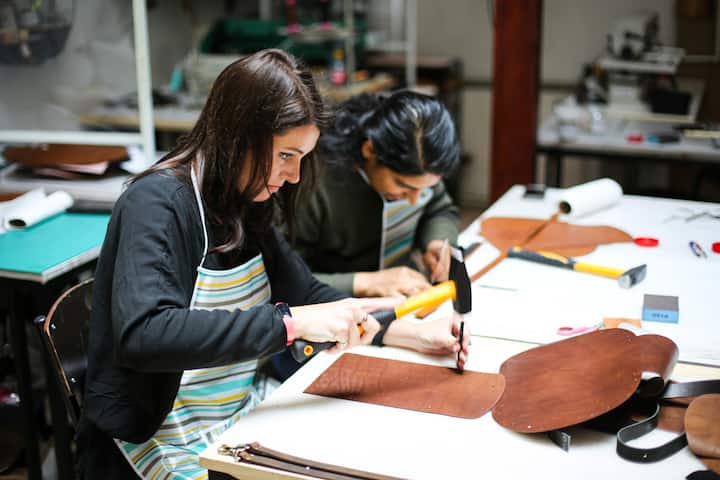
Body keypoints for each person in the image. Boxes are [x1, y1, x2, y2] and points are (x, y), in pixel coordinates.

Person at [78, 49, 469, 480]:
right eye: (286, 155)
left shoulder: (244, 204)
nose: (295, 175)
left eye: (303, 158)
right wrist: (290, 324)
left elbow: (307, 293)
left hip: (233, 418)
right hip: (158, 438)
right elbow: (146, 334)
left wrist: (408, 332)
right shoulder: (157, 204)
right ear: (238, 136)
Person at [289, 90, 461, 299]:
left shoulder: (421, 168)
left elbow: (439, 209)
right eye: (402, 185)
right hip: (336, 303)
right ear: (370, 150)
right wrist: (364, 283)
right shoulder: (313, 184)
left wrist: (437, 242)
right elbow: (286, 278)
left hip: (403, 293)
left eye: (425, 189)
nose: (415, 199)